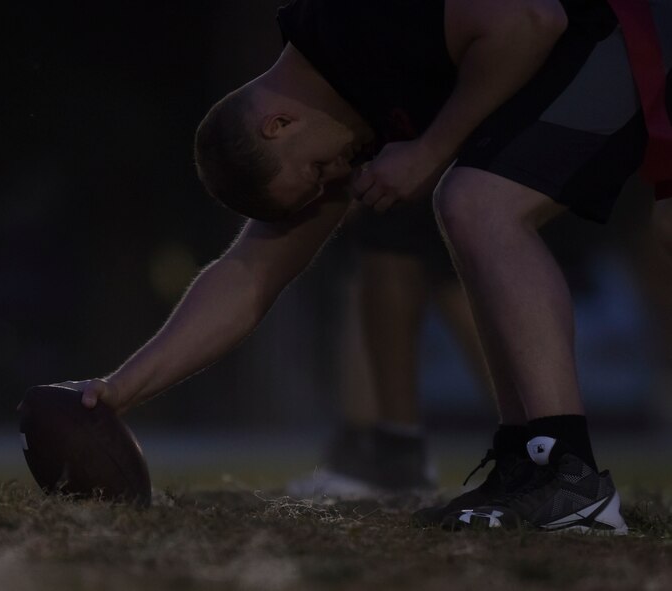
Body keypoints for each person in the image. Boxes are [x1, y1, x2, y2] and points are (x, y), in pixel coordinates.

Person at [63, 0, 672, 533]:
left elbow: (532, 18)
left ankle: (569, 478)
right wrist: (120, 389)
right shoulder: (342, 105)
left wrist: (431, 149)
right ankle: (529, 464)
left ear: (279, 125)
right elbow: (248, 276)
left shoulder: (359, 18)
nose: (337, 180)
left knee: (475, 202)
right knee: (468, 205)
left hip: (622, 25)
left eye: (317, 174)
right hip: (582, 48)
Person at [286, 201, 490, 500]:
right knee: (380, 264)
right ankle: (384, 448)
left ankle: (537, 442)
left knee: (433, 271)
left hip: (424, 168)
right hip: (406, 169)